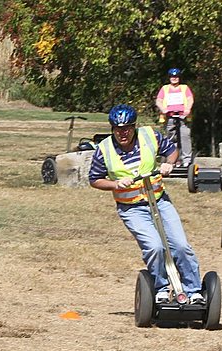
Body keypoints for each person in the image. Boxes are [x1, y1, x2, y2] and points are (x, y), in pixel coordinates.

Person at [88, 104, 204, 304]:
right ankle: (160, 288)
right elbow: (94, 179)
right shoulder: (104, 149)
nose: (122, 133)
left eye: (127, 128)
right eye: (117, 128)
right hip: (131, 208)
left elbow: (171, 150)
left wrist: (169, 163)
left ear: (134, 126)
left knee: (180, 245)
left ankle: (193, 291)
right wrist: (115, 183)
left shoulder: (150, 135)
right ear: (111, 128)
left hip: (159, 201)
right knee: (154, 247)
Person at [155, 68, 194, 167]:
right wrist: (163, 109)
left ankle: (187, 160)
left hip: (183, 116)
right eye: (172, 77)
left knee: (185, 136)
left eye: (176, 76)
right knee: (171, 138)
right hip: (170, 116)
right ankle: (174, 159)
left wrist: (188, 109)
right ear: (169, 78)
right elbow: (159, 100)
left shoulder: (184, 88)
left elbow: (190, 99)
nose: (174, 78)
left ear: (179, 78)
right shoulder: (165, 89)